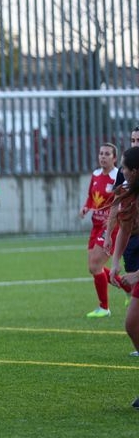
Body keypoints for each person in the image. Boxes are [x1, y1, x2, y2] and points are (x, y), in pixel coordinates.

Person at [79, 143, 120, 318]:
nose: (102, 156)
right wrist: (86, 207)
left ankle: (104, 308)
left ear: (114, 158)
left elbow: (120, 203)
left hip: (110, 227)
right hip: (96, 226)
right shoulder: (95, 175)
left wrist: (111, 228)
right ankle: (128, 287)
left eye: (107, 154)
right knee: (94, 267)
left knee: (95, 266)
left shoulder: (118, 176)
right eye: (101, 153)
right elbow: (91, 197)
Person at [109, 146, 139, 358]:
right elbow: (125, 228)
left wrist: (137, 275)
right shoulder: (130, 193)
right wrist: (115, 262)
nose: (121, 170)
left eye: (124, 167)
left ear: (135, 171)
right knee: (132, 324)